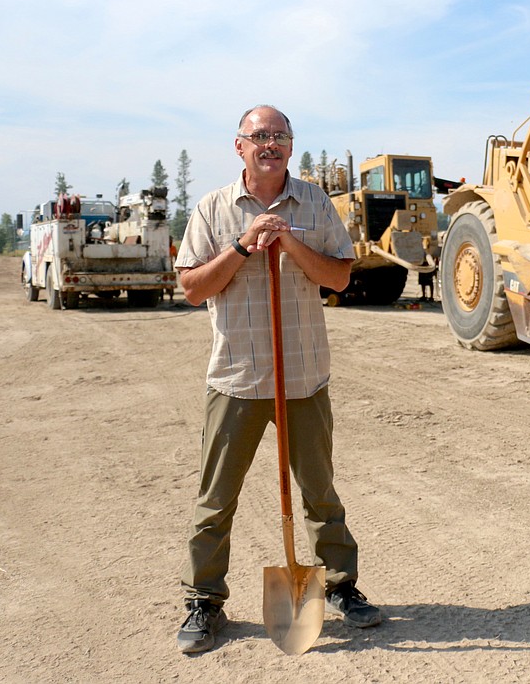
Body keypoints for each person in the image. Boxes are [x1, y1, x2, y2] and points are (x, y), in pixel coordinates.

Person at [173, 105, 381, 655]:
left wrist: (290, 243)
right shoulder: (213, 208)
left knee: (320, 492)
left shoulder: (315, 203)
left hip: (304, 377)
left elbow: (338, 276)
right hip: (236, 379)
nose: (270, 144)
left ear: (291, 146)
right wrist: (243, 247)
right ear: (238, 146)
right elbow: (192, 288)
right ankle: (204, 601)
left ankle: (341, 586)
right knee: (216, 499)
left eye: (280, 136)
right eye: (259, 136)